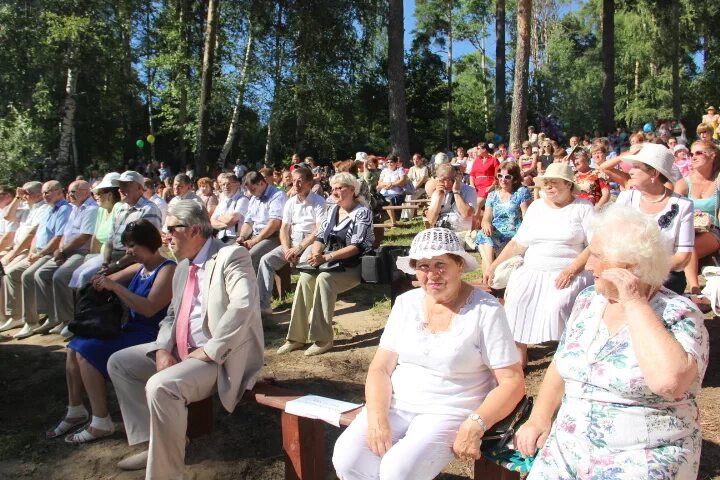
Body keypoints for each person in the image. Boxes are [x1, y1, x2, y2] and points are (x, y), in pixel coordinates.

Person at [515, 206, 709, 479]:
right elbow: (561, 362)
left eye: (598, 256)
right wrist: (540, 417)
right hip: (569, 447)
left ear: (633, 266)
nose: (589, 264)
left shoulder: (679, 313)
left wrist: (634, 301)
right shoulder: (588, 300)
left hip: (644, 454)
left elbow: (669, 382)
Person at [332, 228, 525, 480]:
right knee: (347, 459)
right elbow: (380, 368)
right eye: (423, 265)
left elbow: (512, 381)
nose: (432, 274)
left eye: (440, 264)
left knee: (397, 471)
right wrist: (377, 417)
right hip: (397, 404)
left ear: (459, 266)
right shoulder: (406, 303)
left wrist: (476, 423)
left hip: (450, 410)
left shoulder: (485, 311)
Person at [107, 200, 264, 478]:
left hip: (219, 358)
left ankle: (166, 474)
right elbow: (170, 315)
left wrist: (211, 350)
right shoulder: (182, 267)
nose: (164, 236)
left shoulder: (231, 255)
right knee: (120, 363)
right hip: (183, 351)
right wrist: (162, 348)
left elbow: (243, 305)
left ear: (193, 230)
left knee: (160, 387)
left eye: (170, 229)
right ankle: (154, 442)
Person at [46, 220, 175, 443]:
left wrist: (115, 287)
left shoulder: (167, 269)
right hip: (130, 330)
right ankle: (75, 408)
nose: (129, 251)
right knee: (74, 345)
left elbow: (149, 308)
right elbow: (112, 276)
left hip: (150, 335)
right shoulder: (140, 266)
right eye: (127, 245)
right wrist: (106, 276)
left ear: (148, 243)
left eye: (133, 245)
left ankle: (100, 420)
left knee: (86, 351)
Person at [484, 163, 594, 367]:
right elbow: (519, 242)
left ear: (569, 185)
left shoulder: (583, 208)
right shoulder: (536, 207)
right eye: (546, 183)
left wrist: (571, 270)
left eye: (554, 183)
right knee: (516, 302)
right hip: (532, 269)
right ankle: (518, 358)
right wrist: (494, 265)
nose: (549, 187)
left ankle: (567, 360)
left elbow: (594, 244)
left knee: (558, 306)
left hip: (569, 271)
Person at [278, 172, 374, 356]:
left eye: (340, 188)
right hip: (330, 263)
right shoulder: (332, 211)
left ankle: (323, 339)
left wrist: (326, 258)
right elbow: (320, 236)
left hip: (354, 266)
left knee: (324, 279)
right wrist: (315, 254)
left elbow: (356, 246)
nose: (335, 191)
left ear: (352, 190)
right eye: (333, 188)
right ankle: (296, 338)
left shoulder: (362, 212)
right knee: (305, 277)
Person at [614, 143, 694, 294]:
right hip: (625, 275)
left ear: (654, 173)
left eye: (636, 167)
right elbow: (610, 239)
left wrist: (646, 271)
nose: (630, 171)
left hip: (665, 280)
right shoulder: (625, 198)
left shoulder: (683, 205)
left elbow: (683, 256)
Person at [5, 180, 72, 339]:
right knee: (12, 273)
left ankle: (37, 319)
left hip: (52, 253)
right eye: (43, 193)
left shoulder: (64, 209)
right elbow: (37, 233)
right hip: (38, 252)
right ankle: (20, 317)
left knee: (29, 275)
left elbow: (58, 237)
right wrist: (33, 251)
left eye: (47, 192)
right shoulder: (49, 209)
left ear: (59, 191)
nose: (44, 195)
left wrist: (40, 255)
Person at [32, 180, 98, 334]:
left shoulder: (91, 209)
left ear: (86, 191)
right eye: (69, 192)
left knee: (61, 276)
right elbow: (64, 234)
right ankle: (54, 316)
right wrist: (60, 250)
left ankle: (69, 320)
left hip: (82, 252)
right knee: (42, 273)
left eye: (73, 192)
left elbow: (84, 237)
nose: (69, 195)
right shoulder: (75, 208)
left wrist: (63, 252)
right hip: (67, 251)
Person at [257, 168, 326, 316]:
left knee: (307, 263)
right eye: (294, 181)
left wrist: (299, 248)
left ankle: (307, 307)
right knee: (266, 261)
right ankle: (264, 305)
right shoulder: (290, 202)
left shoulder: (319, 202)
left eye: (300, 181)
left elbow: (318, 230)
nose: (296, 184)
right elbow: (284, 228)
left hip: (310, 241)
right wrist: (287, 248)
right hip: (293, 242)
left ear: (309, 183)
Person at [674, 140, 720, 294]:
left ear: (713, 156)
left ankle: (694, 290)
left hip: (712, 229)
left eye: (699, 153)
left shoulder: (718, 181)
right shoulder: (684, 183)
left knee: (688, 246)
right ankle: (694, 290)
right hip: (687, 230)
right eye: (691, 154)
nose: (693, 157)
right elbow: (672, 211)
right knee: (686, 242)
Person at [475, 161, 531, 274]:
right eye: (500, 176)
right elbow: (486, 218)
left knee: (484, 245)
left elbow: (527, 217)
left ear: (514, 178)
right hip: (495, 232)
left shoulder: (521, 192)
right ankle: (491, 271)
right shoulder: (492, 195)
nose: (502, 179)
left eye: (507, 177)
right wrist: (486, 224)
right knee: (483, 234)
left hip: (514, 233)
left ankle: (489, 275)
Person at [238, 171, 287, 272]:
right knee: (234, 255)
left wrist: (255, 240)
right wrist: (242, 237)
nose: (250, 193)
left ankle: (255, 287)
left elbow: (275, 224)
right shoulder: (254, 199)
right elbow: (248, 222)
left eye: (252, 189)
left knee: (250, 257)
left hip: (273, 237)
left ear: (261, 183)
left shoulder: (277, 195)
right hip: (256, 236)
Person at [424, 164, 477, 235]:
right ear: (437, 179)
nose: (446, 184)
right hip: (440, 232)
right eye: (442, 180)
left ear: (457, 177)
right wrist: (438, 196)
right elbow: (431, 220)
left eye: (450, 180)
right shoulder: (437, 192)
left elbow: (467, 214)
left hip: (461, 233)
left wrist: (456, 192)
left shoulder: (469, 190)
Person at [211, 173, 248, 243]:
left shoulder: (242, 200)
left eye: (229, 184)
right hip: (220, 237)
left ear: (237, 184)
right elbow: (212, 221)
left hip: (235, 239)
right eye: (223, 184)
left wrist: (218, 219)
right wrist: (225, 224)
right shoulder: (222, 202)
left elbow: (232, 219)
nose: (226, 187)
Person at [469, 142, 499, 208]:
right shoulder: (477, 160)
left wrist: (492, 186)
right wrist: (472, 185)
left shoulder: (493, 160)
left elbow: (498, 175)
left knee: (476, 205)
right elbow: (472, 174)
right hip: (475, 188)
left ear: (484, 149)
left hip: (487, 187)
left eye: (478, 148)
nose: (477, 150)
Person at [401, 154, 429, 220]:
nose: (415, 161)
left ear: (421, 160)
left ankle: (408, 217)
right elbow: (408, 179)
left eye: (417, 159)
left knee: (411, 196)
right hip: (413, 187)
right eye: (414, 159)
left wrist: (413, 189)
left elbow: (422, 180)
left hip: (422, 188)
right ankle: (403, 216)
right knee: (404, 195)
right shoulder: (412, 168)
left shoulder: (424, 168)